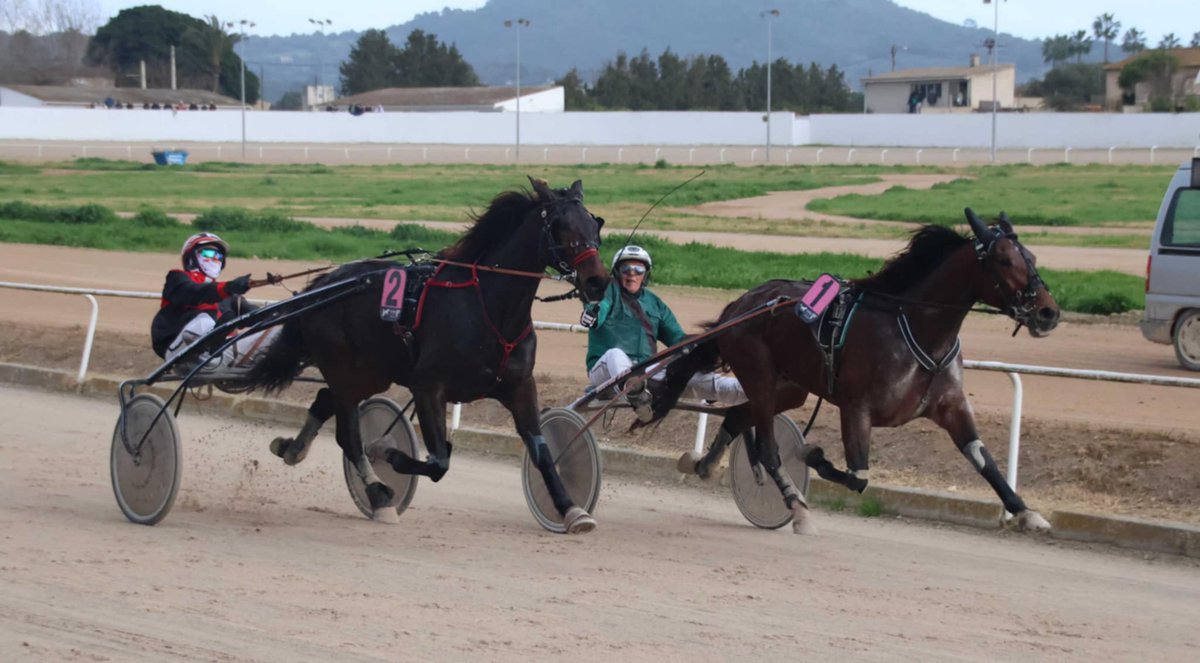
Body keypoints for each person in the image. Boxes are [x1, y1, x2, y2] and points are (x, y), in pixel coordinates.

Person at [580, 245, 746, 421]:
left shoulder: (655, 303)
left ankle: (752, 392)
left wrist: (700, 355)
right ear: (617, 272)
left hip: (645, 371)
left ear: (646, 274)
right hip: (605, 371)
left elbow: (678, 339)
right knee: (615, 355)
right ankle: (636, 394)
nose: (632, 274)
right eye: (626, 269)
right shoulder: (607, 293)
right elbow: (600, 308)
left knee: (687, 368)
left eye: (638, 269)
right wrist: (593, 314)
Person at [150, 232, 277, 375]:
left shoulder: (229, 296)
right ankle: (210, 347)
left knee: (276, 330)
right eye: (209, 253)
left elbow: (255, 314)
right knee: (205, 320)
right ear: (191, 256)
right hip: (179, 353)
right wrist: (228, 287)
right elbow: (196, 292)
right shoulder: (177, 279)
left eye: (219, 256)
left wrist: (285, 311)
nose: (215, 258)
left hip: (220, 355)